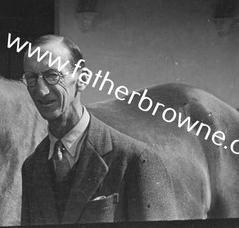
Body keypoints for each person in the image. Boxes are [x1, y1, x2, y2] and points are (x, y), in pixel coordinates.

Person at [20, 35, 178, 225]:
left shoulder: (135, 160)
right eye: (31, 78)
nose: (41, 91)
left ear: (82, 79)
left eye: (52, 76)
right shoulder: (31, 167)